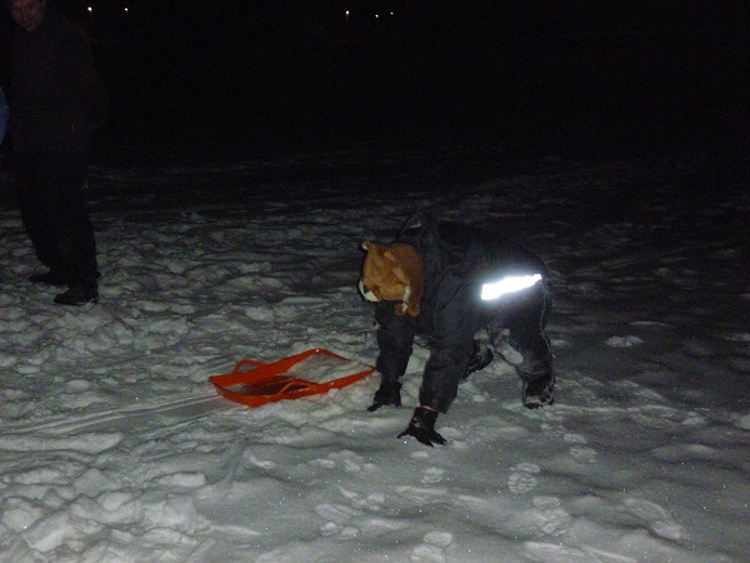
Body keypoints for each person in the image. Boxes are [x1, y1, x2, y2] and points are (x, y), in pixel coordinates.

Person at [359, 214, 555, 446]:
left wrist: (427, 412)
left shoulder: (453, 278)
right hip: (475, 288)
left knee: (510, 344)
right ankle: (477, 352)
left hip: (521, 286)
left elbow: (451, 344)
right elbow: (395, 330)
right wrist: (390, 384)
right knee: (422, 320)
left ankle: (540, 375)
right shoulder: (395, 263)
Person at [6, 0, 109, 305]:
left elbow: (91, 89)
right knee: (35, 209)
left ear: (43, 4)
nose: (24, 15)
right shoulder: (18, 37)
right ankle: (60, 267)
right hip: (29, 138)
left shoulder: (64, 37)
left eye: (29, 7)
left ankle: (84, 281)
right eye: (16, 9)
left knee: (66, 211)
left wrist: (82, 127)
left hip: (63, 139)